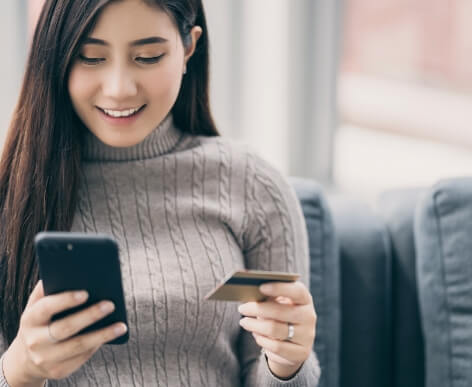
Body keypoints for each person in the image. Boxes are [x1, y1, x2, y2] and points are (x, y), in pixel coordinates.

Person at [0, 0, 320, 386]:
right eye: (90, 57)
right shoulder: (10, 197)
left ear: (188, 48)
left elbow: (274, 362)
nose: (119, 89)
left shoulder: (253, 186)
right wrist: (19, 371)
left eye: (148, 57)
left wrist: (286, 365)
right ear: (56, 57)